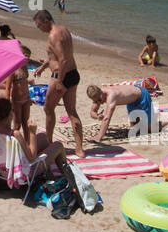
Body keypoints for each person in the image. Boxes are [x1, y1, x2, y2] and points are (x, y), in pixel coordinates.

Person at [32, 9, 83, 158]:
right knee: (72, 112)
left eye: (39, 25)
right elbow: (59, 55)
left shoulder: (53, 35)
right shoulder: (64, 30)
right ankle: (79, 149)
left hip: (61, 76)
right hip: (73, 74)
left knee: (48, 109)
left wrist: (59, 81)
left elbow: (62, 60)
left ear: (46, 21)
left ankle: (48, 142)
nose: (39, 28)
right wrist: (43, 66)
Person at [87, 80, 156, 143]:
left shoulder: (111, 95)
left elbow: (107, 118)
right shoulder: (97, 96)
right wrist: (97, 116)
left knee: (151, 129)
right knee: (135, 128)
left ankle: (167, 121)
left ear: (101, 91)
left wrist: (99, 137)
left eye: (99, 99)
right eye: (95, 101)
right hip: (131, 101)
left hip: (141, 95)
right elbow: (92, 112)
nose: (99, 102)